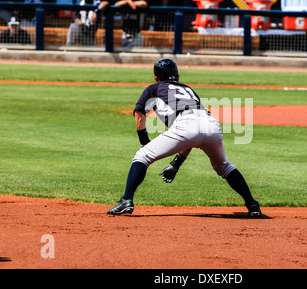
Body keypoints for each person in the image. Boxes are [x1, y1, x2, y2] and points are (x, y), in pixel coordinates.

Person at [107, 58, 262, 218]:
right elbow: (192, 137)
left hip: (186, 124)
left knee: (142, 156)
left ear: (155, 76)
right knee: (224, 166)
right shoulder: (188, 89)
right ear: (177, 75)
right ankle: (252, 204)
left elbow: (139, 113)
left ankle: (126, 200)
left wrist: (144, 143)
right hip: (210, 124)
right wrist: (176, 164)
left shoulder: (154, 88)